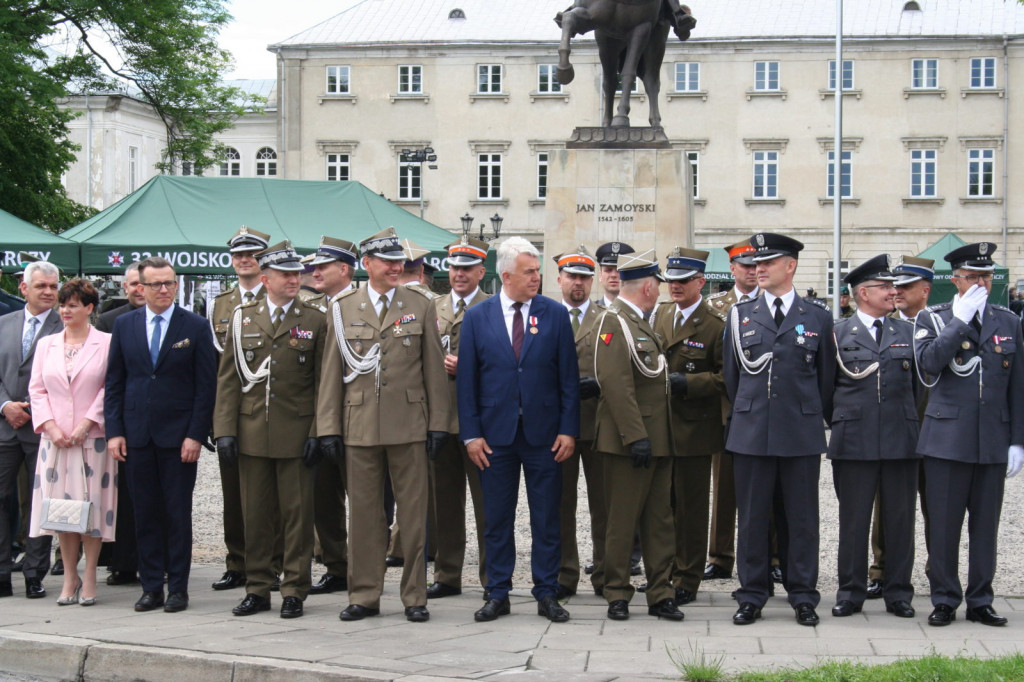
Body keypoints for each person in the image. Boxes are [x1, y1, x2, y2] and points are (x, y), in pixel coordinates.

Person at [317, 227, 449, 623]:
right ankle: (364, 594)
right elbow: (331, 372)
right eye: (388, 262)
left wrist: (439, 422)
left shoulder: (420, 304)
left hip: (409, 422)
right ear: (367, 265)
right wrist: (328, 427)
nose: (396, 267)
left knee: (412, 515)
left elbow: (433, 369)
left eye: (400, 262)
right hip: (359, 423)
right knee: (364, 514)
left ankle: (414, 596)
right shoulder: (342, 306)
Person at [458, 236, 578, 623]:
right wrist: (471, 434)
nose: (536, 278)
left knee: (547, 517)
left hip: (544, 436)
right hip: (495, 437)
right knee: (496, 517)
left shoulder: (555, 315)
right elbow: (468, 383)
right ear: (505, 275)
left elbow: (568, 380)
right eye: (529, 272)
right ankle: (498, 592)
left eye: (538, 272)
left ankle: (546, 591)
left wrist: (568, 429)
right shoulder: (479, 317)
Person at [723, 233, 835, 627]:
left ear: (790, 266)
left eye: (768, 262)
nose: (759, 269)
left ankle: (803, 594)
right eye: (756, 263)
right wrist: (753, 413)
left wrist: (804, 413)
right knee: (752, 518)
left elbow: (824, 380)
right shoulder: (741, 314)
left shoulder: (817, 316)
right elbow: (733, 377)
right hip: (752, 430)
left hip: (800, 431)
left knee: (801, 519)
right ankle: (752, 594)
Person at [215, 241, 327, 619]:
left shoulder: (315, 318)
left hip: (296, 431)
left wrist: (317, 431)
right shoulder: (242, 317)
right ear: (265, 279)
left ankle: (294, 588)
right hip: (251, 431)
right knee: (256, 515)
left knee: (297, 517)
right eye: (286, 274)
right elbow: (229, 379)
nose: (295, 279)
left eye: (297, 273)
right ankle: (257, 587)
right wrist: (224, 429)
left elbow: (322, 382)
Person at [913, 242, 1024, 627]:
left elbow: (1018, 385)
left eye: (987, 276)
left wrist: (1018, 440)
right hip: (947, 439)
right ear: (955, 280)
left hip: (992, 439)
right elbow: (928, 367)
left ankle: (981, 599)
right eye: (973, 276)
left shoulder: (1008, 321)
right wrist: (958, 322)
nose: (982, 282)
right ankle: (944, 598)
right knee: (943, 525)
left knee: (985, 527)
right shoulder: (934, 317)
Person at [104, 256, 217, 614]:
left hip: (178, 437)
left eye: (170, 283)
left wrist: (195, 434)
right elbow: (115, 382)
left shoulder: (195, 326)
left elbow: (206, 387)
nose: (164, 289)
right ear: (141, 287)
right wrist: (115, 431)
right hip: (137, 435)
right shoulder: (125, 325)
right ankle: (151, 586)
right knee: (145, 513)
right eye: (156, 284)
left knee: (177, 513)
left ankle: (178, 589)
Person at [592, 250, 682, 621]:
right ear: (648, 286)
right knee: (623, 520)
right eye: (657, 284)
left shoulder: (640, 322)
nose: (659, 290)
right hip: (629, 441)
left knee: (659, 520)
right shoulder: (616, 322)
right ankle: (617, 592)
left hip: (656, 438)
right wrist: (635, 436)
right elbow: (614, 383)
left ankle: (661, 593)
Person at [827, 255, 919, 620]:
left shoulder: (908, 333)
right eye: (885, 287)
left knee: (899, 520)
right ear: (863, 293)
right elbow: (825, 389)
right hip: (853, 438)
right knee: (853, 520)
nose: (893, 292)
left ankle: (898, 592)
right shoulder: (837, 333)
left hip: (901, 438)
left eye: (893, 286)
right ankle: (850, 592)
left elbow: (919, 388)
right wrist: (842, 422)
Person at [27, 279, 113, 606]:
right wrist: (49, 426)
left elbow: (110, 387)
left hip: (92, 440)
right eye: (63, 304)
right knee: (61, 510)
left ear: (89, 308)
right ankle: (69, 575)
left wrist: (87, 423)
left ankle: (90, 573)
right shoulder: (47, 344)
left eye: (73, 304)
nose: (65, 310)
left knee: (91, 508)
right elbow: (37, 390)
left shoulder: (106, 343)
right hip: (55, 441)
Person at [651, 248, 726, 606]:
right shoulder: (659, 316)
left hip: (694, 430)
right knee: (660, 508)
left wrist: (689, 384)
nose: (675, 287)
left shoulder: (715, 325)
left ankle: (688, 577)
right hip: (661, 428)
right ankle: (662, 573)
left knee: (692, 510)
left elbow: (728, 379)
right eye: (671, 281)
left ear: (701, 281)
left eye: (683, 281)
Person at [208, 226, 276, 593]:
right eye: (238, 255)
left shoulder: (280, 297)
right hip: (234, 411)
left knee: (274, 495)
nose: (244, 260)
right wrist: (216, 419)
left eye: (251, 254)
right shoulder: (221, 303)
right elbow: (217, 368)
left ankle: (273, 563)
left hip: (273, 408)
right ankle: (237, 562)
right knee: (233, 494)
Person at [425, 237, 491, 600]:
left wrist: (470, 368)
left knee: (487, 505)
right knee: (444, 504)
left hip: (479, 422)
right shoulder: (432, 307)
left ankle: (490, 577)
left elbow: (506, 364)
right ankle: (447, 574)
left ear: (481, 271)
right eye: (454, 267)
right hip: (439, 420)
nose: (459, 274)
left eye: (467, 268)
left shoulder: (493, 308)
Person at [866, 255, 934, 599]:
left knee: (935, 505)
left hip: (935, 431)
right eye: (894, 286)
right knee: (888, 506)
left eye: (905, 286)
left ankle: (938, 570)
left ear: (925, 289)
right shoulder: (884, 326)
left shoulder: (942, 322)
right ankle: (882, 571)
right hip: (895, 429)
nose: (897, 292)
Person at [0, 261, 63, 599]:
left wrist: (36, 411)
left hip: (43, 429)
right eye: (41, 286)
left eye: (53, 287)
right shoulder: (3, 324)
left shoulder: (65, 326)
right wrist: (5, 405)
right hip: (4, 427)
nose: (49, 292)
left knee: (40, 503)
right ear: (24, 288)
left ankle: (34, 573)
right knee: (2, 497)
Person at [704, 240, 761, 583]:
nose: (752, 271)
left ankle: (770, 558)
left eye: (756, 265)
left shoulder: (773, 304)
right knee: (724, 487)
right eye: (744, 265)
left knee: (765, 487)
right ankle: (720, 556)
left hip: (762, 409)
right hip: (724, 409)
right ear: (733, 269)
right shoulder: (715, 307)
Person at [552, 245, 606, 599]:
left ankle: (605, 573)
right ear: (559, 279)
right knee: (558, 504)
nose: (578, 284)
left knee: (605, 504)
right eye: (572, 276)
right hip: (558, 427)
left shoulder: (607, 318)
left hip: (599, 424)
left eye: (584, 278)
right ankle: (563, 574)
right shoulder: (545, 317)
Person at [306, 236, 358, 597]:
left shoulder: (363, 305)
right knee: (323, 499)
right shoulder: (312, 308)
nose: (315, 272)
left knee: (366, 500)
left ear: (344, 269)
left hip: (358, 419)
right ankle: (337, 566)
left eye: (323, 267)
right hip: (317, 421)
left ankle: (364, 568)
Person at [95, 262, 145, 587]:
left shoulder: (182, 322)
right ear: (125, 288)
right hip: (124, 420)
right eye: (135, 284)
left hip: (162, 421)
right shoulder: (109, 322)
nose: (140, 289)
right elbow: (106, 379)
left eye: (146, 283)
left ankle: (161, 561)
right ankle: (122, 563)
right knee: (123, 497)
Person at [595, 241, 635, 307]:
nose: (613, 275)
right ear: (600, 276)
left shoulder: (643, 313)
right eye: (608, 270)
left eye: (619, 270)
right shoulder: (588, 313)